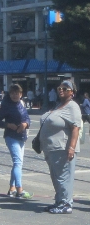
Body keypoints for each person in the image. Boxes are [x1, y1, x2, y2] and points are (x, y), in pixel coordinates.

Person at [38, 80, 82, 214]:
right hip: (52, 148)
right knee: (56, 177)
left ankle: (66, 204)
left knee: (63, 177)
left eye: (65, 88)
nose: (61, 90)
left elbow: (75, 128)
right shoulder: (59, 105)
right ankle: (59, 201)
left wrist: (71, 148)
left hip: (63, 148)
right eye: (59, 88)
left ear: (72, 92)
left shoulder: (72, 106)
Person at [0, 84, 32, 199]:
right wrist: (8, 125)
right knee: (18, 163)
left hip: (22, 136)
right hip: (11, 136)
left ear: (21, 94)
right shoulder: (6, 106)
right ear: (9, 94)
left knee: (18, 164)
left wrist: (26, 124)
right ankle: (20, 190)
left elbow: (27, 118)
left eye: (17, 93)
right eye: (12, 93)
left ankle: (12, 188)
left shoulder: (21, 104)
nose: (15, 95)